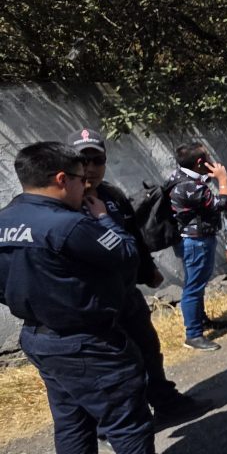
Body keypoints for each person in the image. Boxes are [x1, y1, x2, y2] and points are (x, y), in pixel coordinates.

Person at [0, 142, 217, 454]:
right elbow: (125, 254)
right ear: (61, 179)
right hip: (85, 339)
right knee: (122, 408)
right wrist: (103, 219)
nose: (86, 188)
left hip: (39, 337)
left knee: (72, 421)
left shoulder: (4, 222)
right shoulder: (68, 224)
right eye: (81, 181)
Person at [67, 128, 200, 424]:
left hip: (127, 294)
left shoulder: (112, 195)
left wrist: (148, 269)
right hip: (94, 304)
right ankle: (125, 423)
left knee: (149, 348)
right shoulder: (63, 202)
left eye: (96, 159)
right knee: (116, 366)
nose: (89, 167)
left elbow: (133, 236)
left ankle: (165, 401)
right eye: (82, 159)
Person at [165, 142, 227, 352]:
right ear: (199, 163)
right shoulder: (190, 187)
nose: (212, 160)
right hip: (196, 241)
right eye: (207, 157)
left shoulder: (180, 178)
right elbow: (224, 204)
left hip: (192, 239)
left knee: (197, 284)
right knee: (193, 287)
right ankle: (193, 335)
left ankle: (200, 321)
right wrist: (222, 180)